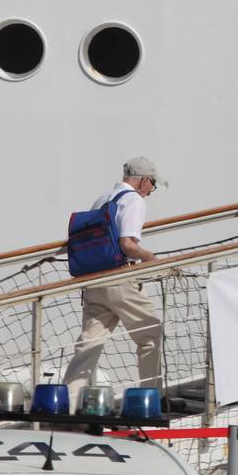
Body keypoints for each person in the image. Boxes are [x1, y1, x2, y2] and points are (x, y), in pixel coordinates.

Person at [63, 157, 162, 403]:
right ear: (144, 180)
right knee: (150, 335)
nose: (151, 191)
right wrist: (150, 257)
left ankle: (67, 402)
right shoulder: (133, 201)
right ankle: (151, 399)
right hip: (120, 280)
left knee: (89, 345)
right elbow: (127, 244)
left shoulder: (102, 199)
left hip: (93, 281)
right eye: (153, 185)